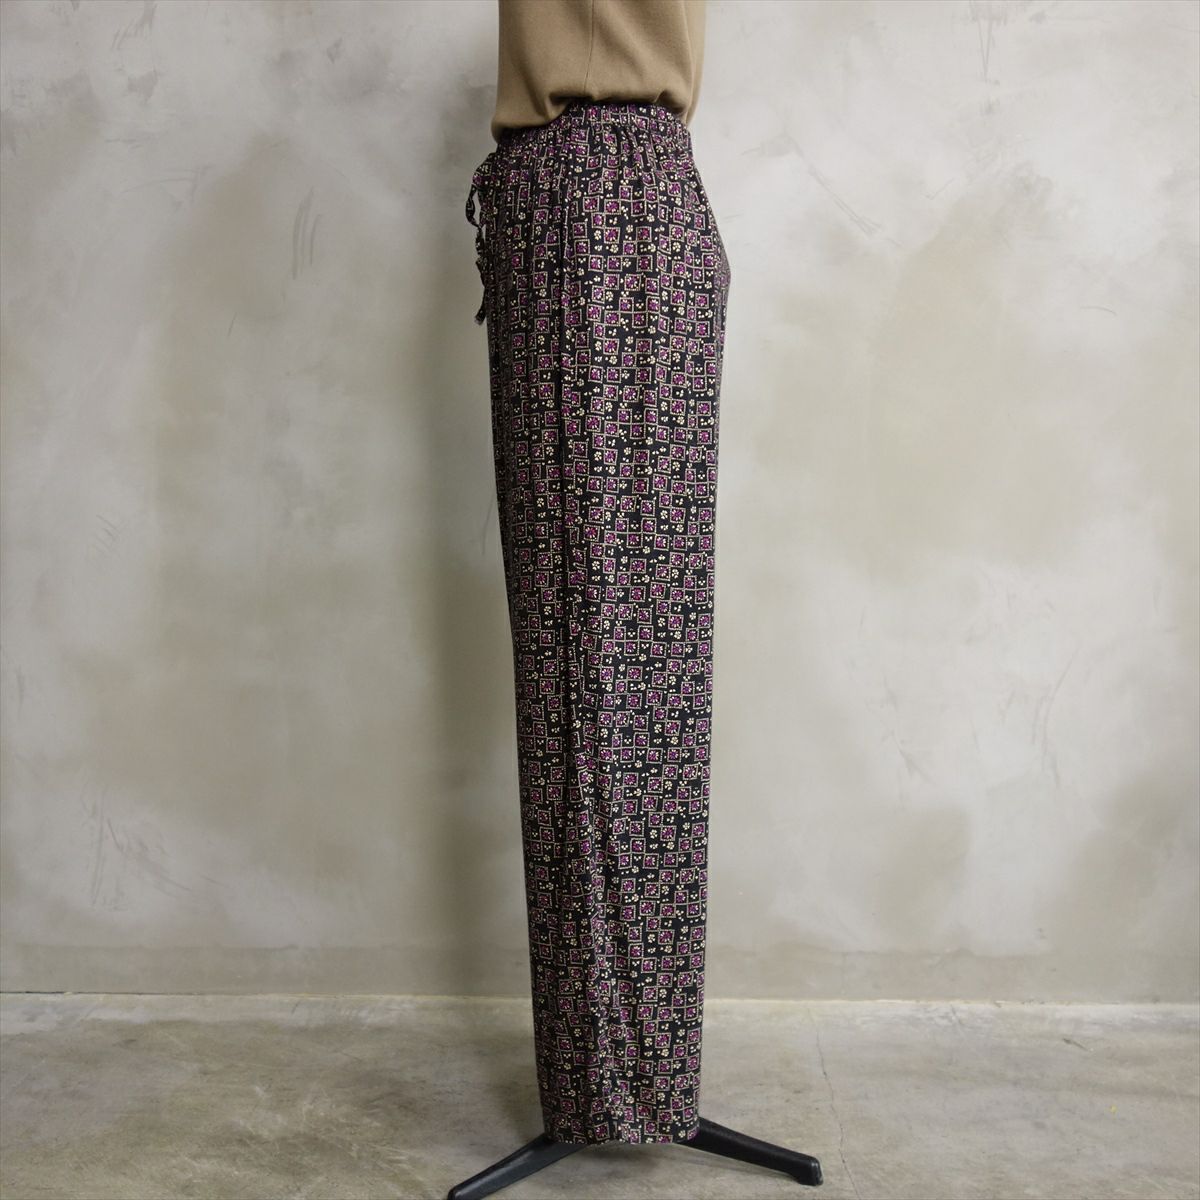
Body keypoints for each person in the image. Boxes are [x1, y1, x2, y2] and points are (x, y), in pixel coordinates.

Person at [465, 0, 730, 1147]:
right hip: (639, 202)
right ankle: (622, 1078)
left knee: (624, 656)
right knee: (601, 649)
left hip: (596, 206)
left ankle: (636, 1080)